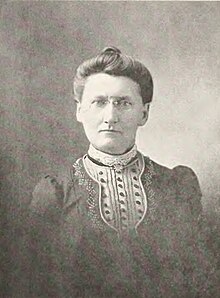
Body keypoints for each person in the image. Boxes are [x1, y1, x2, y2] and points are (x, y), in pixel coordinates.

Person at [28, 47, 218, 297]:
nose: (110, 116)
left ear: (144, 113)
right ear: (79, 111)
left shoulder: (177, 186)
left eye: (123, 103)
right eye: (99, 102)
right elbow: (33, 284)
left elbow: (200, 281)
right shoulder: (56, 193)